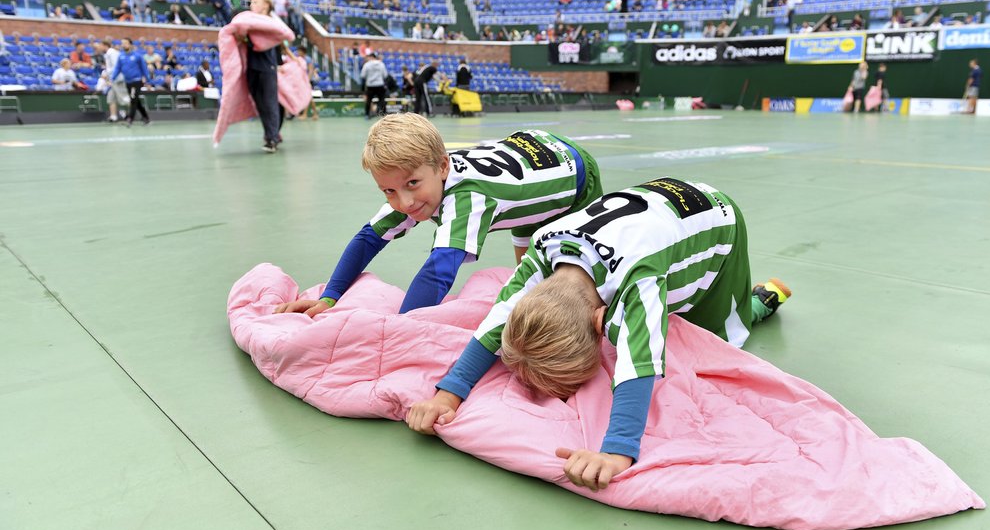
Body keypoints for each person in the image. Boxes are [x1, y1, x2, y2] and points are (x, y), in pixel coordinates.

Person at [406, 178, 790, 491]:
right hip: (652, 207)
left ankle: (758, 302)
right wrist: (447, 395)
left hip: (713, 218)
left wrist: (616, 451)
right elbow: (497, 320)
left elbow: (638, 362)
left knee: (710, 340)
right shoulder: (543, 247)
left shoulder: (638, 277)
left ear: (596, 322)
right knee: (651, 319)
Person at [274, 113, 604, 318]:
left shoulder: (467, 197)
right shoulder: (422, 173)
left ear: (443, 166)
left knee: (570, 275)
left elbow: (439, 271)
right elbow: (368, 238)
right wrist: (330, 296)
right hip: (528, 153)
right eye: (388, 191)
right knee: (528, 273)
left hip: (571, 174)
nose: (403, 202)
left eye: (412, 184)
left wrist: (400, 328)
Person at [244, 0, 287, 153]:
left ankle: (272, 138)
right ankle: (271, 134)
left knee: (270, 104)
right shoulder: (249, 22)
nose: (251, 5)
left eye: (255, 2)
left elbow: (278, 44)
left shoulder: (272, 23)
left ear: (266, 5)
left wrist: (279, 64)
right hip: (252, 67)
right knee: (262, 106)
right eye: (251, 2)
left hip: (267, 67)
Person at [111, 38, 151, 126]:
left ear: (130, 45)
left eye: (125, 43)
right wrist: (112, 78)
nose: (123, 45)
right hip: (127, 82)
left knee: (133, 99)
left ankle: (130, 119)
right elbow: (117, 68)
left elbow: (144, 68)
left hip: (136, 81)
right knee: (136, 100)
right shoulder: (121, 56)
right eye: (122, 43)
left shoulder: (137, 56)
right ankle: (146, 117)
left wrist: (148, 80)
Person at [102, 39, 128, 122]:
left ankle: (131, 114)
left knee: (124, 99)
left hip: (118, 80)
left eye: (101, 45)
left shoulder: (111, 53)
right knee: (111, 97)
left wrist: (110, 78)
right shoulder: (108, 53)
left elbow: (116, 66)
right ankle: (113, 116)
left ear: (105, 46)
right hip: (113, 80)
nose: (99, 47)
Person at [361, 52, 389, 119]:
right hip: (380, 85)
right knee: (382, 100)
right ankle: (383, 114)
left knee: (369, 100)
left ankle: (367, 115)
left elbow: (363, 75)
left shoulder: (366, 65)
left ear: (371, 57)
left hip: (370, 86)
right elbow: (385, 75)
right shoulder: (381, 64)